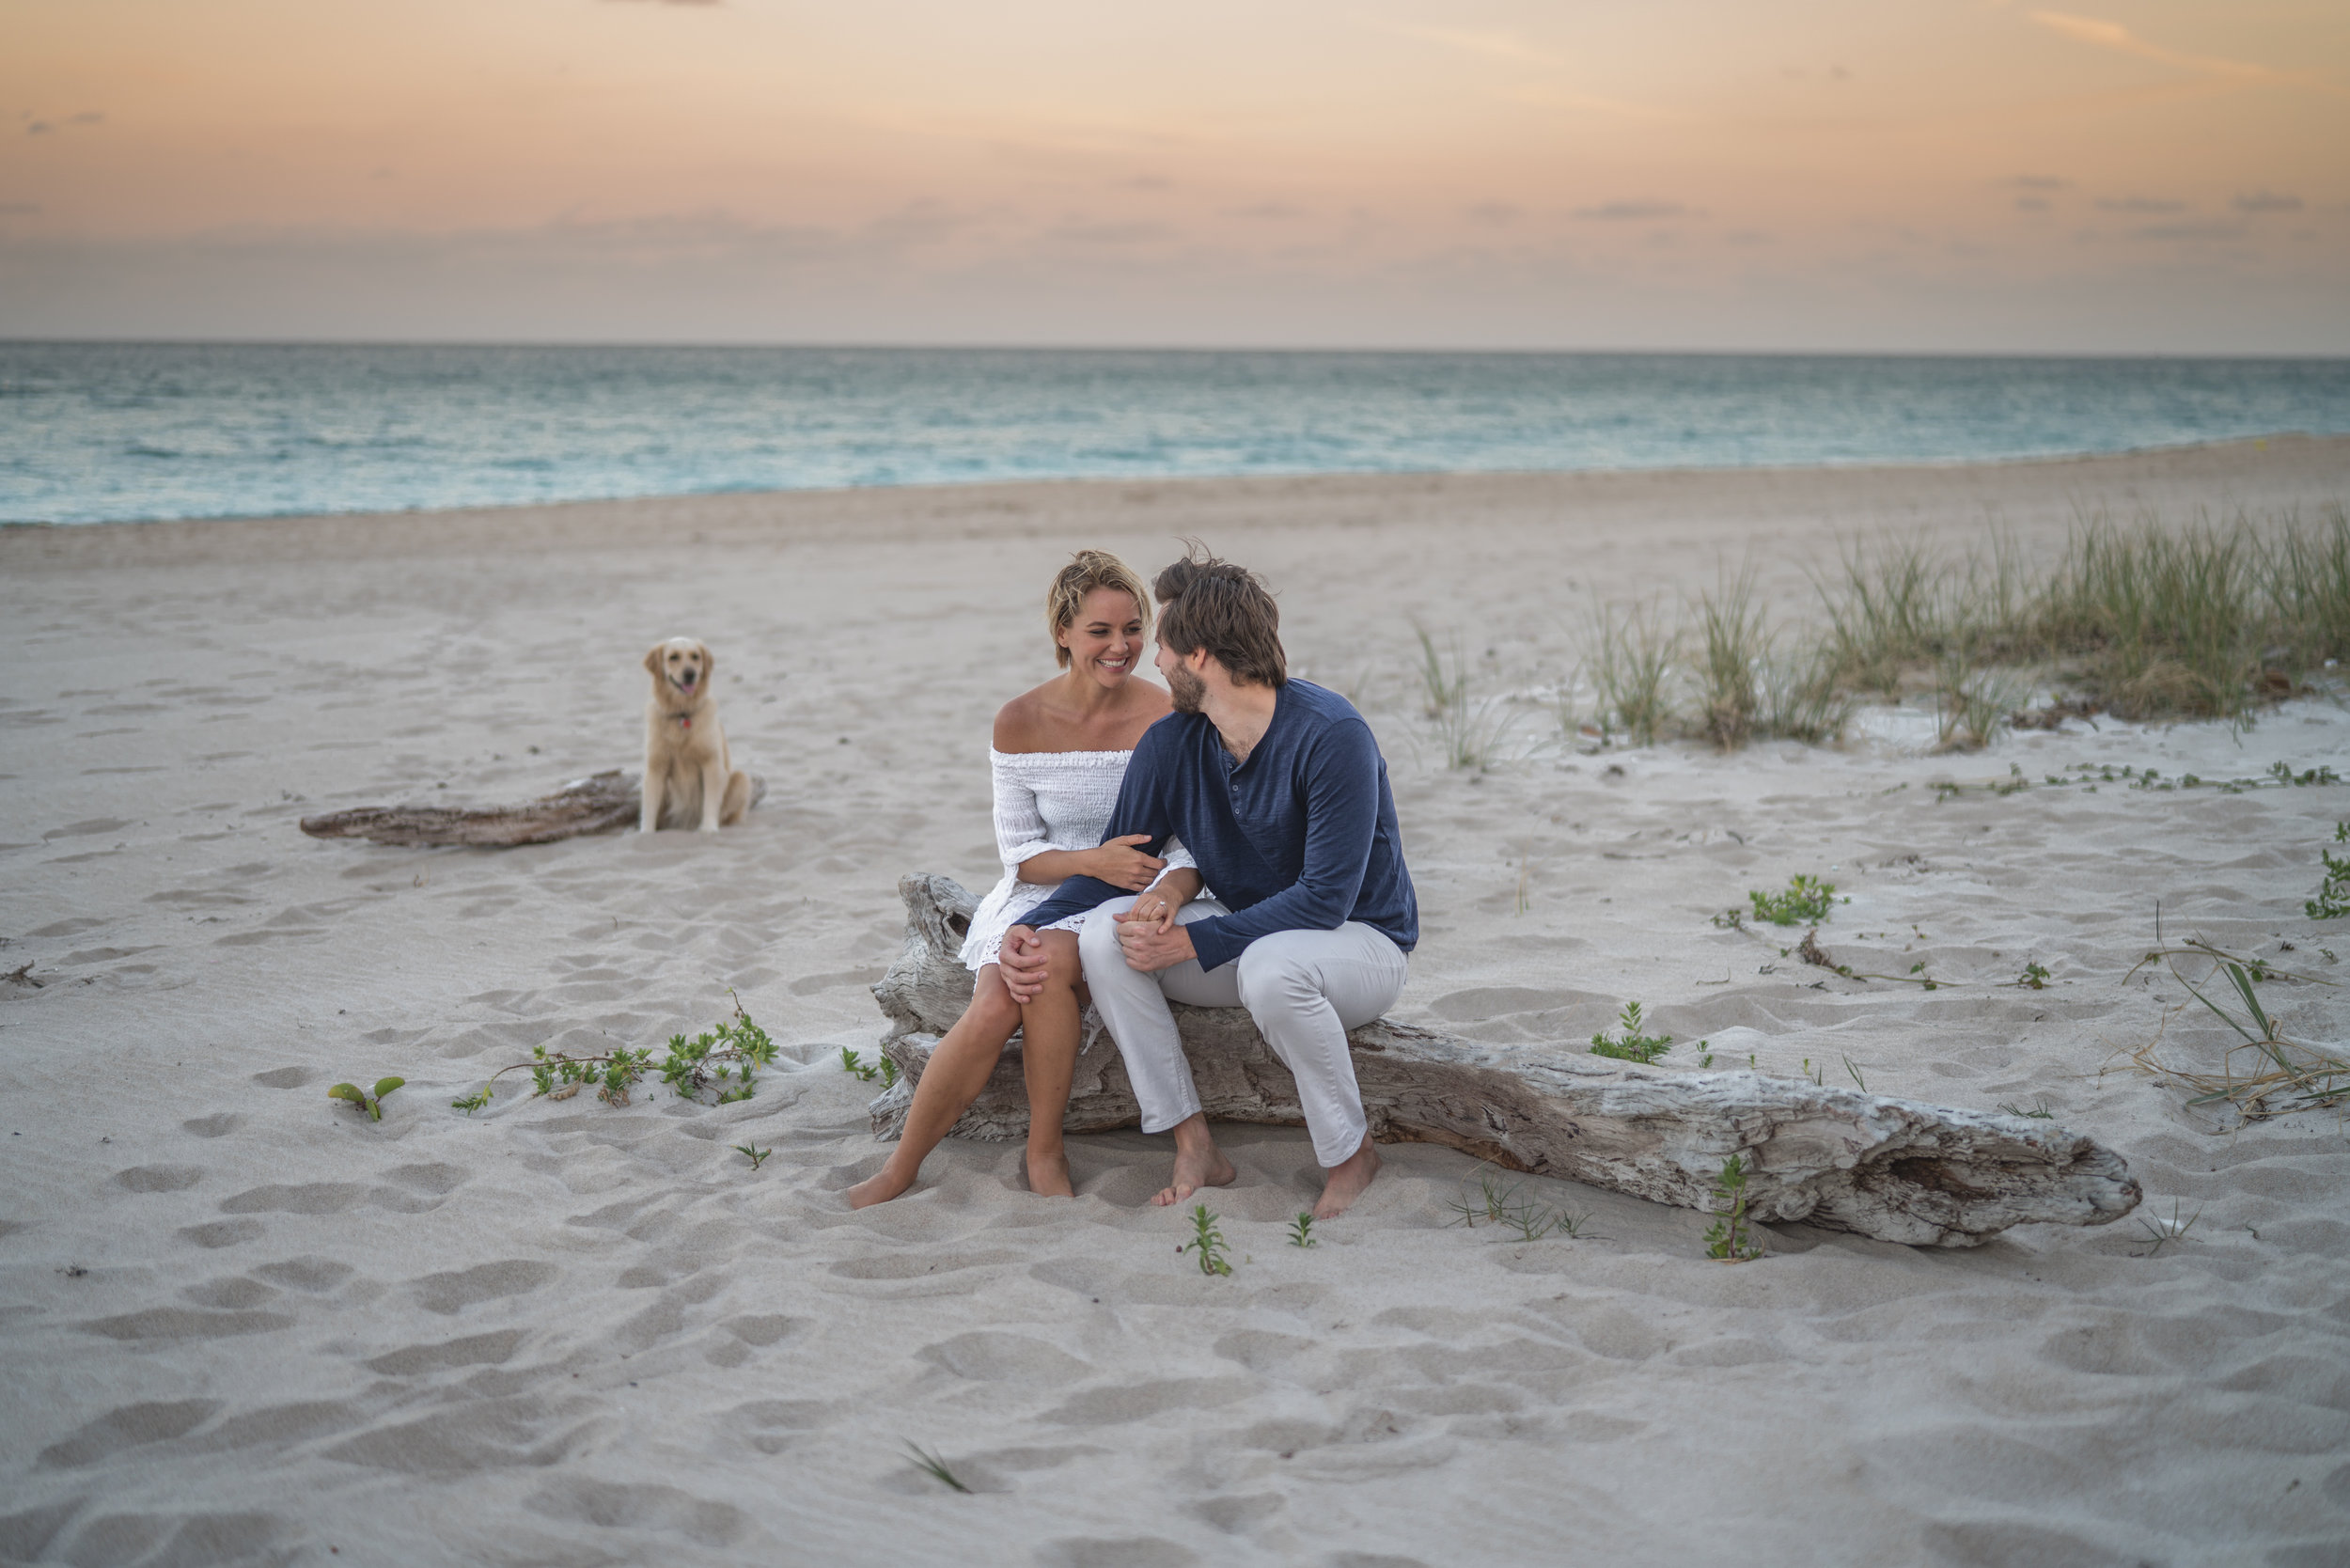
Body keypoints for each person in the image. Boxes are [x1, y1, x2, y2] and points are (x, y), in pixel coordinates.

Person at [1001, 548, 1417, 1220]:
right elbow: (1122, 860)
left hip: (1359, 944)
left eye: (1162, 644)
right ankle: (1192, 1142)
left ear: (1200, 655)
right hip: (1252, 939)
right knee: (1112, 939)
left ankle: (1350, 1155)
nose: (1152, 661)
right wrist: (1028, 927)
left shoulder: (1332, 734)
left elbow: (1326, 898)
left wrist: (1194, 944)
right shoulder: (1173, 744)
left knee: (1272, 970)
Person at [846, 551, 1201, 1209]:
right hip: (1039, 890)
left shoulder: (1168, 718)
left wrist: (1156, 889)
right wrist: (1089, 860)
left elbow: (1188, 844)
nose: (1121, 646)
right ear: (1063, 632)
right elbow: (1021, 856)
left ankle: (1044, 1149)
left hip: (1123, 895)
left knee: (1038, 966)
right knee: (993, 1004)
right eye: (1100, 631)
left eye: (1133, 630)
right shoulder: (1019, 720)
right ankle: (901, 1167)